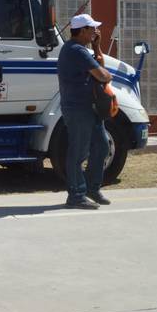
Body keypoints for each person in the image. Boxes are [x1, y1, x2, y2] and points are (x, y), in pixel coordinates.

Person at [57, 13, 113, 209]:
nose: (95, 32)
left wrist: (97, 46)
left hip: (89, 108)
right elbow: (103, 75)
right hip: (78, 109)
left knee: (102, 146)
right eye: (92, 29)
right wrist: (105, 75)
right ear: (82, 31)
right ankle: (76, 195)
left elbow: (100, 69)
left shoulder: (82, 50)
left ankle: (91, 188)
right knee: (78, 152)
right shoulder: (76, 51)